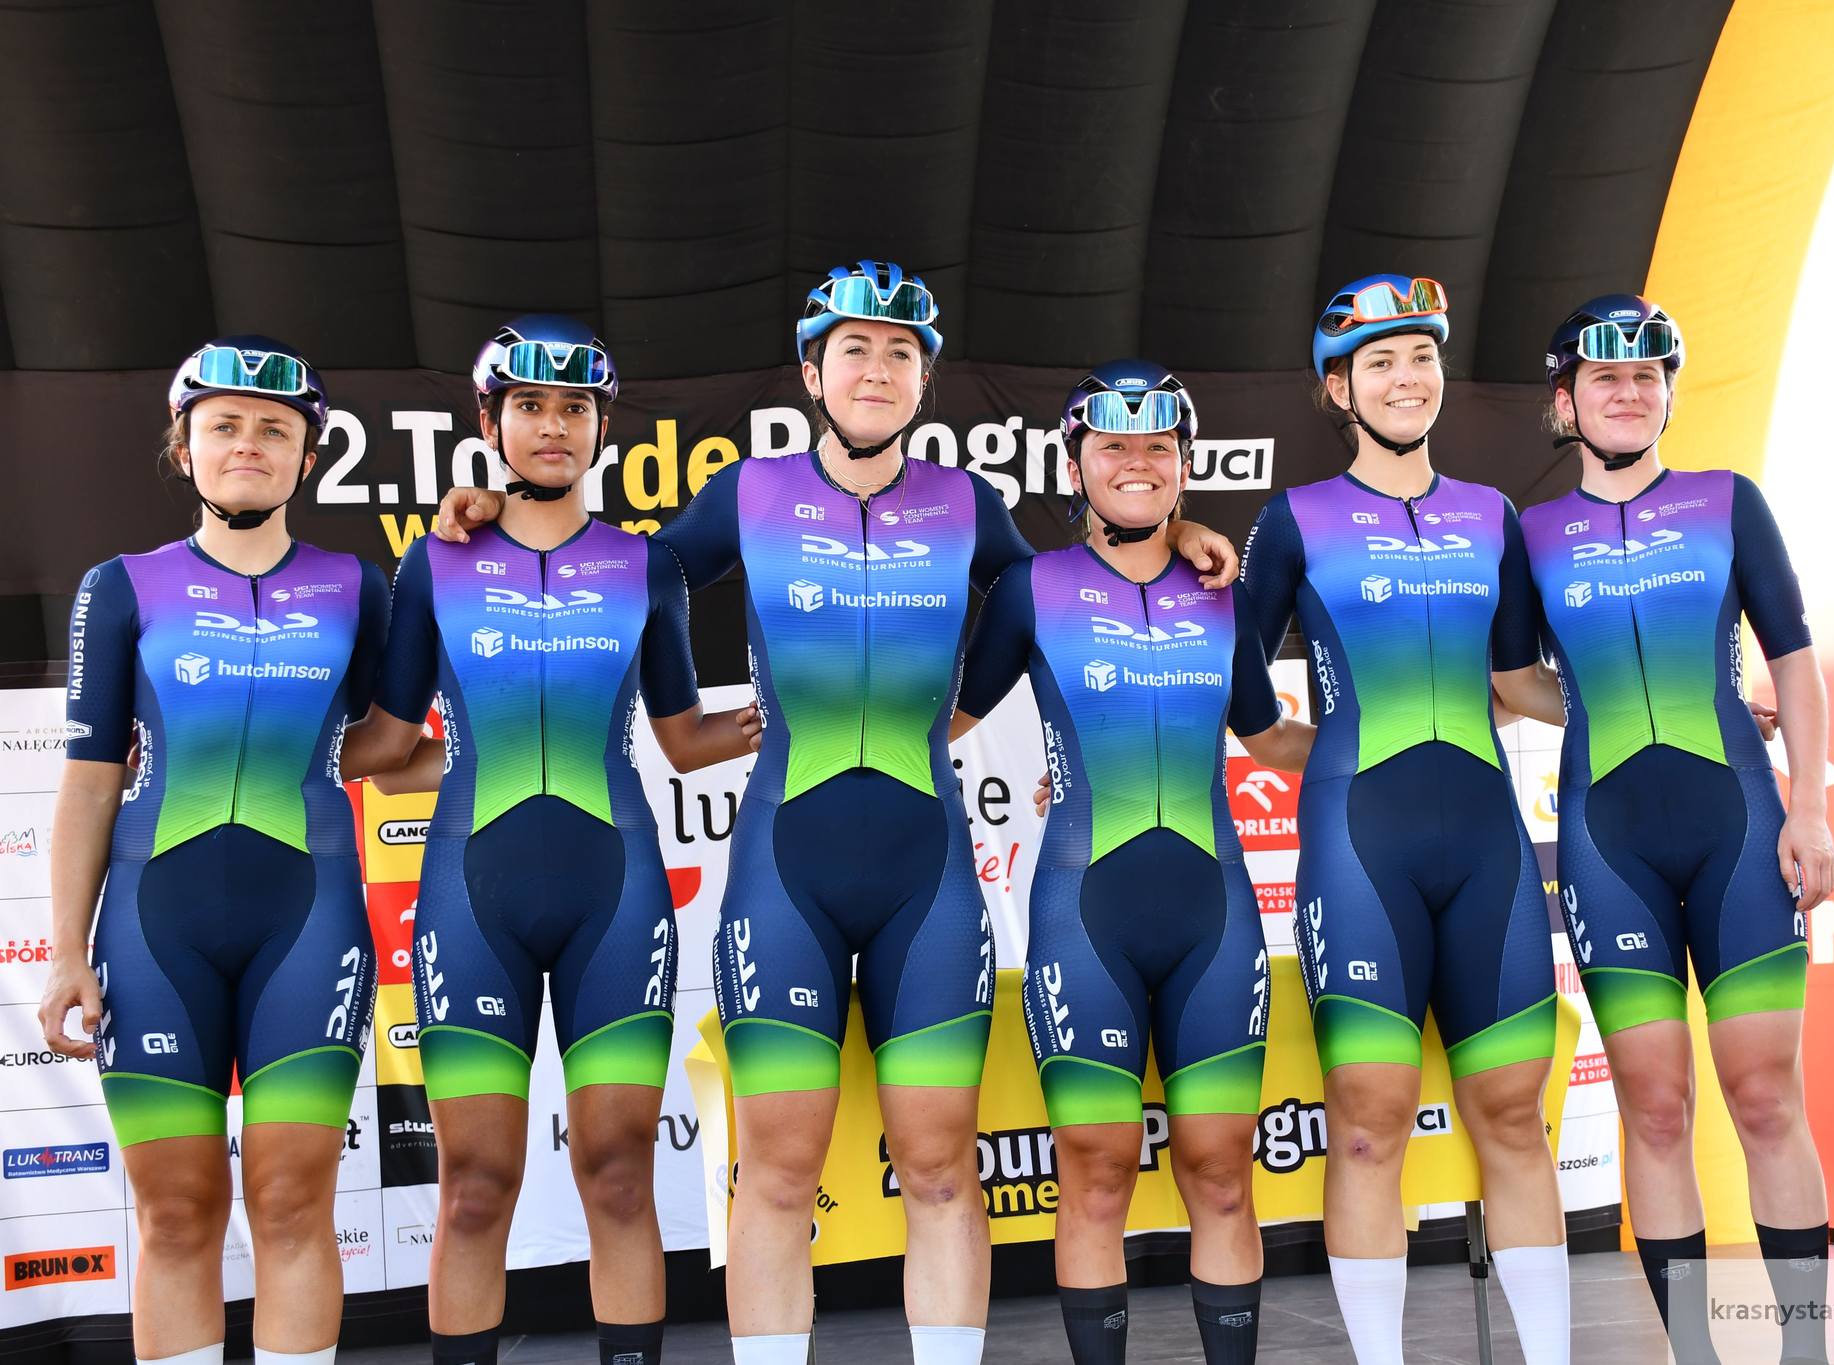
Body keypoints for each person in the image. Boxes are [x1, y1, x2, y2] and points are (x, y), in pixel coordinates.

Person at [431, 261, 1242, 1365]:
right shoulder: (748, 493)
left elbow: (1079, 583)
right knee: (776, 1174)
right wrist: (495, 509)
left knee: (942, 1171)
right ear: (812, 373)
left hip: (928, 880)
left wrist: (1180, 532)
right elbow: (616, 566)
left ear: (924, 381)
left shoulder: (967, 504)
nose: (876, 369)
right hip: (784, 876)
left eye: (900, 352)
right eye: (853, 348)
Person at [341, 315, 759, 1365]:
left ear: (602, 428)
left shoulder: (644, 566)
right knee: (476, 1186)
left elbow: (683, 738)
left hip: (612, 895)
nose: (553, 425)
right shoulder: (433, 562)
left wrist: (787, 714)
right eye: (529, 405)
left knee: (618, 1174)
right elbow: (385, 748)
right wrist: (245, 742)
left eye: (575, 407)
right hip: (470, 896)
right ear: (490, 423)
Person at [952, 359, 1313, 1364]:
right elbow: (946, 723)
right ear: (1077, 464)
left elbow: (1268, 737)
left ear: (1185, 465)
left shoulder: (1224, 592)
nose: (1137, 462)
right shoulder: (1029, 590)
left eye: (1159, 445)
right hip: (1083, 914)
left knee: (1222, 1173)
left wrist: (1393, 740)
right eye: (1113, 445)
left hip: (1215, 915)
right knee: (1095, 1170)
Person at [1240, 276, 1569, 1365]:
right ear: (1339, 389)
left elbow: (1517, 682)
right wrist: (1325, 752)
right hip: (1359, 848)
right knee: (1369, 1122)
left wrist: (1673, 704)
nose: (1404, 377)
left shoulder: (1493, 515)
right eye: (1377, 361)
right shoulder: (1293, 520)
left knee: (1513, 1117)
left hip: (1488, 847)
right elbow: (1236, 696)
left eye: (1419, 355)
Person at [39, 338, 388, 1365]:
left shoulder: (358, 586)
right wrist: (65, 952)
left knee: (291, 1201)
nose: (249, 444)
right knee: (177, 1209)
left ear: (307, 459)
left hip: (309, 921)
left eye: (275, 429)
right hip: (155, 929)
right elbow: (91, 780)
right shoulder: (121, 587)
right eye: (224, 425)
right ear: (182, 447)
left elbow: (388, 743)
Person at [1521, 296, 1834, 1365]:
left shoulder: (1726, 501)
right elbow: (1511, 676)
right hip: (1608, 845)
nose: (1628, 393)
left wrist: (1809, 806)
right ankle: (1691, 1354)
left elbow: (1793, 656)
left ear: (1666, 394)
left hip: (1739, 826)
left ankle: (1805, 1353)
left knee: (1764, 1096)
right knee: (1654, 1110)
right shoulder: (1531, 535)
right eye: (1604, 378)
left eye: (1646, 376)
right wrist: (1597, 701)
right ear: (1565, 400)